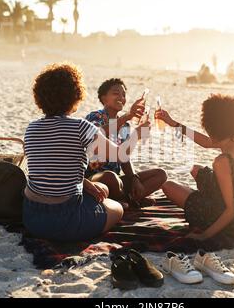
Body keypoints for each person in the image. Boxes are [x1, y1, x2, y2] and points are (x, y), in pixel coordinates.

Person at [23, 63, 150, 242]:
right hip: (66, 219)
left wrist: (87, 184)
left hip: (32, 216)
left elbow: (49, 168)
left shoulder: (31, 129)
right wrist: (138, 134)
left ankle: (111, 198)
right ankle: (118, 204)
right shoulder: (81, 127)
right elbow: (120, 155)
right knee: (118, 209)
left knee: (103, 188)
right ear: (75, 95)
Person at [155, 94, 234, 241]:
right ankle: (203, 197)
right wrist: (173, 123)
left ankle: (202, 200)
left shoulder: (222, 161)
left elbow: (232, 210)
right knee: (195, 169)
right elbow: (206, 142)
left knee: (168, 186)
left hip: (232, 219)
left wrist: (204, 236)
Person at [85, 78, 167, 208]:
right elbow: (98, 133)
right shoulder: (95, 117)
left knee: (160, 174)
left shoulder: (125, 126)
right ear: (104, 98)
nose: (121, 97)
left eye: (123, 94)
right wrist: (127, 117)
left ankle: (127, 199)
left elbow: (124, 157)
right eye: (116, 93)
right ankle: (130, 200)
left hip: (117, 182)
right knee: (109, 177)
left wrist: (134, 179)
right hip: (93, 180)